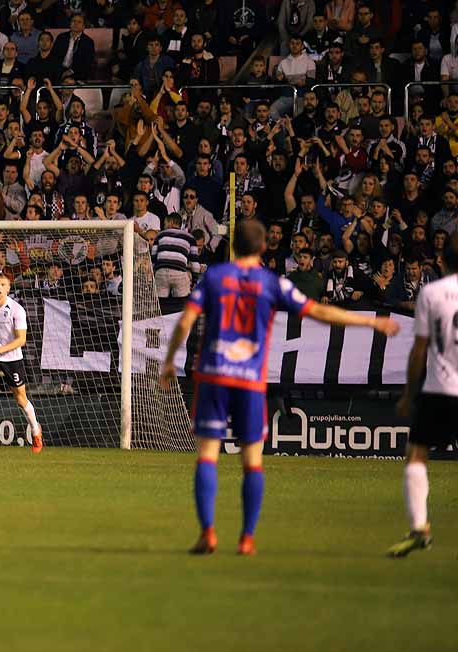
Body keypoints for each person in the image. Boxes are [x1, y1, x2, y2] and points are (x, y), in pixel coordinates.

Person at [160, 219, 400, 556]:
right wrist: (371, 321)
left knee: (208, 456)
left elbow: (186, 319)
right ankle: (246, 538)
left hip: (213, 375)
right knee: (252, 461)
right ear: (261, 249)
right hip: (248, 380)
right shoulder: (271, 282)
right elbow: (319, 312)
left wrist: (170, 361)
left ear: (233, 247)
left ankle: (208, 532)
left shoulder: (214, 277)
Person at [387, 235, 458, 557]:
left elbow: (419, 350)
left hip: (439, 389)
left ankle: (420, 527)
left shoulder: (431, 293)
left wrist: (407, 395)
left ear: (441, 261)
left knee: (417, 454)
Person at [0, 274, 43, 453]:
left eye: (3, 285)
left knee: (20, 398)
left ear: (8, 288)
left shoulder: (17, 310)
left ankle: (36, 430)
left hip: (12, 358)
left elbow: (21, 340)